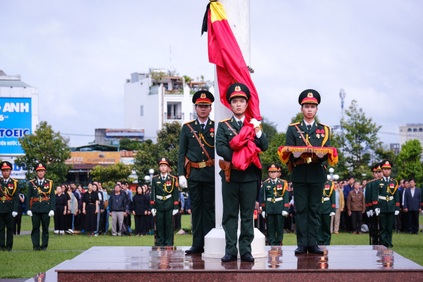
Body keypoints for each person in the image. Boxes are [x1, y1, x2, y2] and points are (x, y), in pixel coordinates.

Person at [216, 82, 268, 263]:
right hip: (231, 176)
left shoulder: (254, 125)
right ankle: (230, 249)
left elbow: (265, 146)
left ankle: (246, 250)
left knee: (247, 215)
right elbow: (220, 147)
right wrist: (242, 155)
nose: (238, 104)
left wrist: (258, 130)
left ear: (247, 104)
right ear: (230, 104)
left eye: (241, 101)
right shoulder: (223, 126)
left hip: (249, 178)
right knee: (230, 215)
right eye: (235, 101)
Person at [285, 89, 332, 255]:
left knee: (314, 209)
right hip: (299, 173)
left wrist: (321, 155)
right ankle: (301, 243)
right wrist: (295, 154)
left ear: (317, 109)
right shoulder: (293, 129)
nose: (309, 109)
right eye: (306, 106)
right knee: (301, 210)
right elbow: (287, 151)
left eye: (312, 106)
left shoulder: (324, 130)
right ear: (301, 109)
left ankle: (313, 243)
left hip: (316, 173)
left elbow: (329, 152)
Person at [178, 90, 215, 255]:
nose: (203, 109)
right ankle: (197, 244)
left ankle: (209, 242)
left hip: (210, 174)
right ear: (195, 107)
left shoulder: (216, 127)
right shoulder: (187, 128)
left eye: (206, 106)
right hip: (193, 174)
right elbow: (181, 152)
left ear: (210, 108)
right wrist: (181, 174)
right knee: (196, 209)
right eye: (200, 106)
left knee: (209, 210)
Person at [150, 158, 180, 246]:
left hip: (169, 204)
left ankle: (169, 243)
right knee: (159, 225)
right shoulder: (155, 179)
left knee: (169, 225)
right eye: (161, 166)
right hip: (159, 204)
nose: (163, 168)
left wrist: (175, 206)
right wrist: (152, 206)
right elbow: (153, 193)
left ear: (168, 168)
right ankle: (159, 242)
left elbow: (175, 193)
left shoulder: (173, 179)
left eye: (165, 166)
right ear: (159, 168)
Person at [26, 163, 56, 251]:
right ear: (36, 172)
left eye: (42, 171)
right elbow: (28, 196)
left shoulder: (49, 183)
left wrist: (52, 209)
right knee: (35, 228)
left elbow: (53, 197)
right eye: (39, 171)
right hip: (35, 208)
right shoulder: (32, 183)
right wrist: (28, 209)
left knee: (45, 228)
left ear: (45, 172)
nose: (40, 173)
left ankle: (44, 246)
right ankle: (36, 246)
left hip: (46, 209)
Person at [260, 164, 289, 246]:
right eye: (271, 172)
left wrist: (285, 209)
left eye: (275, 172)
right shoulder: (266, 184)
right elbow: (263, 197)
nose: (273, 174)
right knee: (270, 226)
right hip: (269, 208)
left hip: (279, 207)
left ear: (278, 173)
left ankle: (279, 241)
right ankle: (272, 242)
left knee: (279, 226)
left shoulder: (283, 183)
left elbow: (286, 196)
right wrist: (263, 209)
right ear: (269, 173)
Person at [372, 160, 399, 248]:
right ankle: (383, 243)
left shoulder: (394, 182)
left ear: (390, 170)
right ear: (382, 170)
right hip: (382, 206)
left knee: (389, 226)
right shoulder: (377, 182)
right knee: (383, 226)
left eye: (388, 169)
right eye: (385, 169)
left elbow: (396, 196)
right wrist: (376, 206)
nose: (386, 171)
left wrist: (397, 208)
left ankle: (389, 242)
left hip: (391, 206)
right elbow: (375, 195)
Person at [0, 161, 19, 251]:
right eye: (3, 170)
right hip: (0, 208)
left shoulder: (14, 183)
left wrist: (15, 209)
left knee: (10, 229)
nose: (5, 172)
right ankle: (1, 246)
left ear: (10, 171)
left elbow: (16, 198)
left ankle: (9, 246)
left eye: (7, 170)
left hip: (10, 209)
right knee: (1, 229)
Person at [318, 180, 336, 245]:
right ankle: (319, 241)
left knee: (326, 226)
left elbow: (333, 196)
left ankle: (327, 241)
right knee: (318, 226)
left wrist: (333, 209)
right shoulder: (316, 181)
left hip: (327, 207)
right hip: (318, 206)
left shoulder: (330, 183)